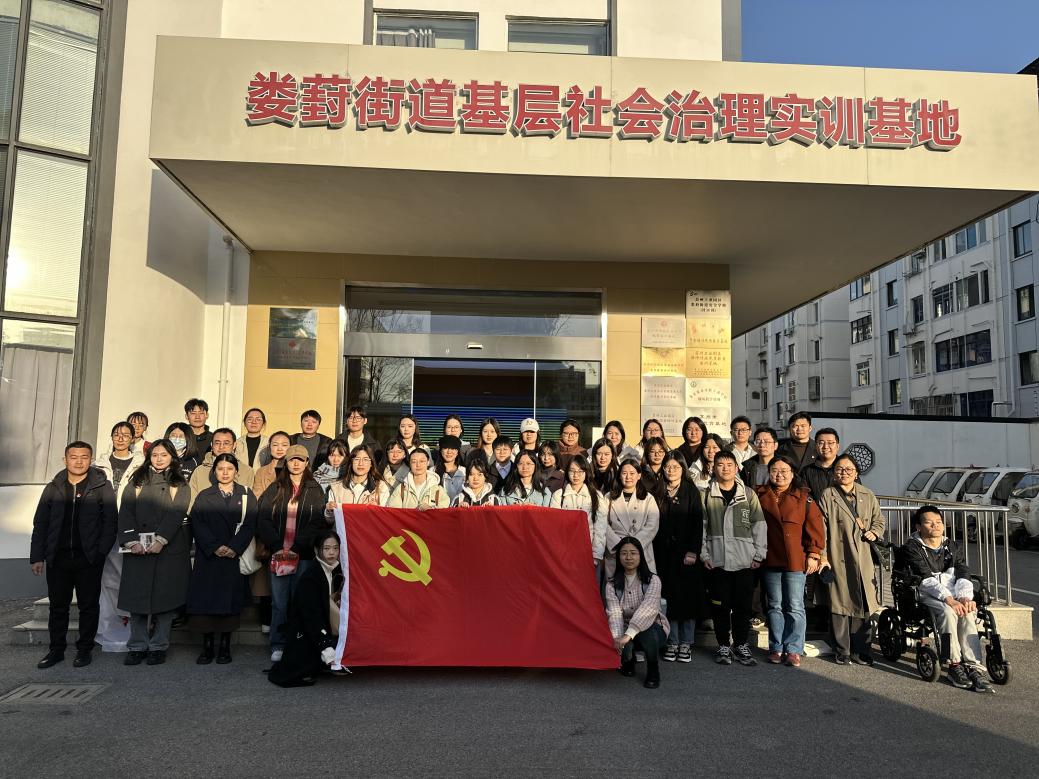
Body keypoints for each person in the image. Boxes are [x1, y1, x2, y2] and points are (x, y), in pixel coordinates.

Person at [29, 442, 118, 669]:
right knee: (58, 606)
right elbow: (41, 523)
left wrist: (100, 552)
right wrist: (37, 556)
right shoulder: (53, 487)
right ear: (65, 459)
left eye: (84, 457)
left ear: (91, 459)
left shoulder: (101, 486)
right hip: (58, 558)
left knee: (89, 606)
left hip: (88, 558)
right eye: (74, 457)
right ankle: (56, 650)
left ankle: (84, 649)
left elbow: (110, 522)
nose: (79, 461)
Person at [117, 439, 192, 666]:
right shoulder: (138, 480)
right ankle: (137, 646)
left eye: (164, 455)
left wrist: (161, 539)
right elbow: (126, 511)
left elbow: (177, 512)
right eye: (155, 455)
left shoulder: (180, 483)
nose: (159, 459)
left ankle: (159, 646)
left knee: (165, 602)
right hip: (138, 548)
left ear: (172, 457)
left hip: (168, 550)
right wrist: (131, 541)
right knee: (137, 601)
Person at [904, 506, 994, 693]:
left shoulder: (951, 546)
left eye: (938, 522)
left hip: (954, 593)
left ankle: (973, 665)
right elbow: (925, 579)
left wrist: (964, 596)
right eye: (929, 522)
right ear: (918, 526)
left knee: (967, 611)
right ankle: (954, 664)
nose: (935, 526)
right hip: (927, 594)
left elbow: (963, 571)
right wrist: (949, 599)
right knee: (948, 611)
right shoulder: (912, 548)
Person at [257, 444, 329, 663]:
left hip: (303, 555)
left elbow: (317, 521)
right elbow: (263, 518)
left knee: (301, 601)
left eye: (300, 459)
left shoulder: (315, 489)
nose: (296, 463)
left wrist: (297, 547)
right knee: (279, 603)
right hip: (279, 554)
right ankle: (278, 643)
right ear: (286, 463)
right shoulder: (276, 487)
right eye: (291, 459)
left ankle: (299, 643)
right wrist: (277, 546)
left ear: (307, 462)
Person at [186, 453, 258, 665]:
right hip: (209, 556)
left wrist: (234, 547)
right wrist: (214, 546)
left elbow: (250, 524)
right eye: (220, 469)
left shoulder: (246, 494)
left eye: (229, 469)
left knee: (230, 603)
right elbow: (197, 523)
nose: (225, 473)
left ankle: (225, 646)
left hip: (233, 556)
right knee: (205, 602)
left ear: (236, 471)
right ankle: (207, 646)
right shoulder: (204, 495)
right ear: (214, 471)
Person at [755, 455, 825, 667]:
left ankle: (793, 649)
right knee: (774, 605)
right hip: (770, 557)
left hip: (795, 559)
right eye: (775, 470)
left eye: (784, 470)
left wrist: (814, 554)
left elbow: (815, 527)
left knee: (795, 606)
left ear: (793, 473)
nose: (779, 474)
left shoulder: (804, 497)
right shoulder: (759, 495)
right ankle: (776, 647)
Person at [701, 451, 767, 667]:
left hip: (744, 561)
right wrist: (704, 554)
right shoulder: (706, 495)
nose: (725, 468)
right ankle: (723, 645)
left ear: (737, 468)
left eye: (729, 464)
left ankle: (740, 644)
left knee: (742, 607)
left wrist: (759, 554)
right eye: (720, 464)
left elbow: (759, 525)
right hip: (717, 560)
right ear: (713, 468)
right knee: (720, 607)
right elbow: (701, 528)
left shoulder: (747, 494)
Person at [818, 454, 884, 666]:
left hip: (863, 556)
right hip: (838, 554)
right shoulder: (828, 495)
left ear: (856, 473)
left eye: (848, 469)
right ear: (833, 473)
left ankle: (861, 649)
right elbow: (821, 529)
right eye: (839, 469)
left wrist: (875, 532)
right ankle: (842, 649)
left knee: (863, 601)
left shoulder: (867, 494)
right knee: (839, 603)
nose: (844, 473)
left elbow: (879, 520)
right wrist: (823, 556)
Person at [268, 531, 345, 688]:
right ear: (317, 550)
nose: (331, 553)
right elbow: (310, 615)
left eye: (335, 548)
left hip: (325, 624)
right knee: (300, 668)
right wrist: (325, 645)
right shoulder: (310, 576)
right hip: (306, 628)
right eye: (326, 548)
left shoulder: (337, 570)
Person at [94, 422, 145, 653]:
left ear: (133, 438)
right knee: (107, 579)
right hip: (103, 525)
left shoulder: (141, 464)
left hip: (130, 525)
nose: (121, 438)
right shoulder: (99, 464)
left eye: (126, 434)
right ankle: (108, 630)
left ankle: (131, 629)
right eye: (116, 434)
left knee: (128, 576)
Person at [653, 450, 705, 664]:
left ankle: (686, 642)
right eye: (667, 467)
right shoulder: (657, 490)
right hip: (663, 554)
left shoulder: (691, 491)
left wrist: (693, 550)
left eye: (675, 467)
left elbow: (697, 523)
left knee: (687, 600)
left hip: (686, 555)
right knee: (669, 600)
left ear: (683, 469)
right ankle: (672, 641)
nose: (671, 470)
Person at [605, 536, 670, 689]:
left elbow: (648, 610)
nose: (629, 557)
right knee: (618, 633)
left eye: (633, 553)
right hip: (625, 627)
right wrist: (618, 638)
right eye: (624, 553)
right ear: (618, 557)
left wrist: (627, 636)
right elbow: (614, 613)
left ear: (641, 555)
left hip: (653, 628)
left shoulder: (653, 580)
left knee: (647, 630)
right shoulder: (611, 585)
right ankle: (628, 660)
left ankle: (653, 669)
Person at [251, 430, 292, 636]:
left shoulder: (295, 468)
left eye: (284, 444)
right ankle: (266, 618)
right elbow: (258, 497)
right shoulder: (262, 472)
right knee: (266, 578)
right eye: (275, 444)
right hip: (268, 527)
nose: (280, 448)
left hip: (290, 528)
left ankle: (285, 621)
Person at [603, 459, 660, 577]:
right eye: (624, 473)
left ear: (639, 476)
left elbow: (652, 524)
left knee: (642, 584)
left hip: (641, 548)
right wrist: (619, 544)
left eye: (632, 473)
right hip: (616, 548)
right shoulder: (608, 497)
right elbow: (603, 523)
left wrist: (635, 544)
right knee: (616, 585)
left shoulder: (648, 498)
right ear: (619, 475)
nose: (628, 477)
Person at [550, 454, 606, 570]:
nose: (576, 475)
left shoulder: (596, 496)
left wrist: (596, 556)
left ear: (586, 472)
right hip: (564, 553)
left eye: (580, 471)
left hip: (588, 551)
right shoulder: (558, 495)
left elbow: (600, 528)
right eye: (572, 471)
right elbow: (554, 527)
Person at [188, 428, 255, 504]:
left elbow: (250, 501)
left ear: (234, 445)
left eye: (226, 443)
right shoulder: (199, 471)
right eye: (217, 443)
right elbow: (192, 501)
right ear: (212, 445)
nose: (221, 447)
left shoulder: (247, 471)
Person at [325, 444, 387, 511]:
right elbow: (331, 517)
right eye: (357, 459)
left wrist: (377, 510)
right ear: (351, 462)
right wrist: (329, 510)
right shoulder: (336, 487)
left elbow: (385, 515)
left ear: (371, 463)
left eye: (365, 459)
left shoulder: (381, 488)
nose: (361, 463)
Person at [801, 428, 840, 502]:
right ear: (816, 446)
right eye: (821, 443)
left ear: (837, 446)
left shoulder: (847, 469)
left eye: (830, 443)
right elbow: (803, 496)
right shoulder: (807, 471)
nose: (825, 446)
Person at [434, 435, 466, 501]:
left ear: (457, 452)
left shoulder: (464, 471)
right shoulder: (433, 471)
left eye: (453, 448)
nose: (449, 452)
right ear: (441, 450)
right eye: (445, 448)